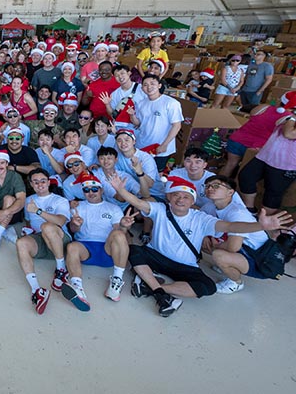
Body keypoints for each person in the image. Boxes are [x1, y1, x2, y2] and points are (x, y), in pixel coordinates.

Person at [109, 174, 291, 317]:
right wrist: (120, 189)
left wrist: (261, 226)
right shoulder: (160, 209)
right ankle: (158, 292)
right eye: (176, 195)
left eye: (186, 197)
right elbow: (139, 202)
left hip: (185, 265)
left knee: (208, 287)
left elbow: (231, 227)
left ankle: (154, 287)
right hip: (156, 256)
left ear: (192, 200)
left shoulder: (202, 218)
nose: (180, 200)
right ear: (169, 197)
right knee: (134, 250)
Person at [62, 175, 134, 311]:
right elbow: (72, 230)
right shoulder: (78, 207)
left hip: (107, 250)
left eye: (95, 189)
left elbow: (120, 236)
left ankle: (116, 283)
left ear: (101, 190)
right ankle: (77, 287)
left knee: (118, 233)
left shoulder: (113, 208)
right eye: (87, 190)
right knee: (71, 247)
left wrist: (124, 226)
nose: (91, 193)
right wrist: (75, 224)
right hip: (85, 249)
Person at [15, 168, 72, 315]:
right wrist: (28, 231)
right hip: (40, 240)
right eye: (36, 182)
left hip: (60, 240)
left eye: (43, 181)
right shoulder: (29, 200)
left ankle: (61, 269)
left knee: (46, 226)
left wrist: (39, 211)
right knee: (21, 243)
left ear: (48, 182)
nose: (40, 184)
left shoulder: (60, 200)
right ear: (31, 185)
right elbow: (28, 222)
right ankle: (37, 290)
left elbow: (60, 221)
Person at [238, 113, 296, 214]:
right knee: (246, 177)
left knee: (273, 193)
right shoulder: (291, 117)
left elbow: (288, 133)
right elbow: (278, 122)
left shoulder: (292, 118)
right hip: (265, 156)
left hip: (285, 165)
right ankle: (250, 209)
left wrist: (291, 118)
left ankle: (264, 221)